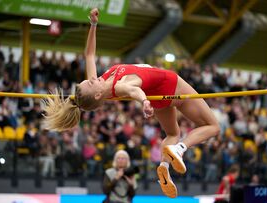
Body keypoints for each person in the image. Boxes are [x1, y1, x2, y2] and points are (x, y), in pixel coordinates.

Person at [43, 8, 220, 198]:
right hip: (169, 85)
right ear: (96, 95)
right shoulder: (118, 86)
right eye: (91, 82)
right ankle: (180, 148)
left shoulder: (100, 85)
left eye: (90, 79)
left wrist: (93, 25)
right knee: (213, 126)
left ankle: (164, 167)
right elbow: (133, 89)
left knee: (172, 133)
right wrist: (143, 101)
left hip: (156, 97)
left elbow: (89, 55)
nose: (93, 78)